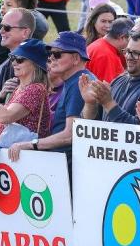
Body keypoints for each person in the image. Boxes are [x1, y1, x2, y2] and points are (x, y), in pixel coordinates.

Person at [7, 31, 93, 167]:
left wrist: (30, 144)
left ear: (76, 58)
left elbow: (70, 135)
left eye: (57, 54)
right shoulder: (72, 81)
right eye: (50, 54)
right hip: (65, 161)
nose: (51, 58)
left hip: (71, 165)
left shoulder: (79, 83)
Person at [81, 29, 140, 125]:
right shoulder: (119, 79)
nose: (129, 57)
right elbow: (94, 124)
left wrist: (108, 103)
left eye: (136, 53)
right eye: (127, 51)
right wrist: (90, 103)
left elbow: (138, 133)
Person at [0, 38, 51, 143]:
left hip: (28, 156)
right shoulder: (18, 89)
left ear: (35, 64)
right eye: (12, 58)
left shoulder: (36, 89)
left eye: (20, 59)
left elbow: (5, 117)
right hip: (15, 155)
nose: (14, 63)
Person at [87, 17, 132, 83]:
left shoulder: (101, 45)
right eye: (131, 41)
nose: (132, 46)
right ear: (122, 37)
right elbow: (107, 89)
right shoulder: (106, 56)